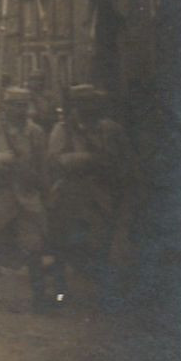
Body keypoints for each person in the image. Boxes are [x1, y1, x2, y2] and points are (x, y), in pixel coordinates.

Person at [46, 84, 135, 308]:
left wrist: (116, 170)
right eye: (83, 103)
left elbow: (125, 157)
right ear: (75, 106)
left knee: (101, 242)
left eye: (93, 103)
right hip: (71, 192)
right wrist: (87, 159)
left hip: (102, 192)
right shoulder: (63, 129)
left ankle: (103, 293)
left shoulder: (110, 129)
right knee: (63, 243)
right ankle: (60, 291)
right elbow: (55, 160)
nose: (89, 108)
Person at [0, 87, 53, 311]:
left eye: (24, 105)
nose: (21, 110)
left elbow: (42, 165)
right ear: (5, 106)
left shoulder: (35, 132)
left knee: (33, 243)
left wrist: (45, 191)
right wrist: (3, 159)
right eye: (15, 105)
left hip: (25, 194)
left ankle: (39, 295)